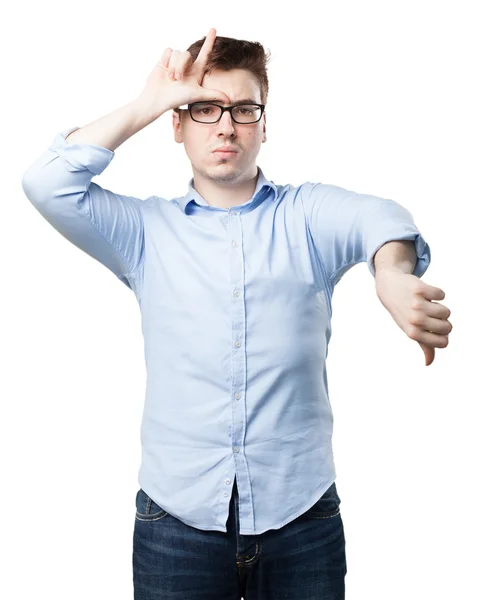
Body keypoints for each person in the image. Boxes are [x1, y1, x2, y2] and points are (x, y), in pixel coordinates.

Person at [21, 28, 452, 600]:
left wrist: (393, 272)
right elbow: (46, 181)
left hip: (302, 518)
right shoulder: (144, 231)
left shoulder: (306, 214)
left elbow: (380, 218)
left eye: (243, 109)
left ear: (264, 124)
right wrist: (149, 103)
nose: (226, 125)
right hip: (175, 523)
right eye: (204, 109)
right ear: (178, 125)